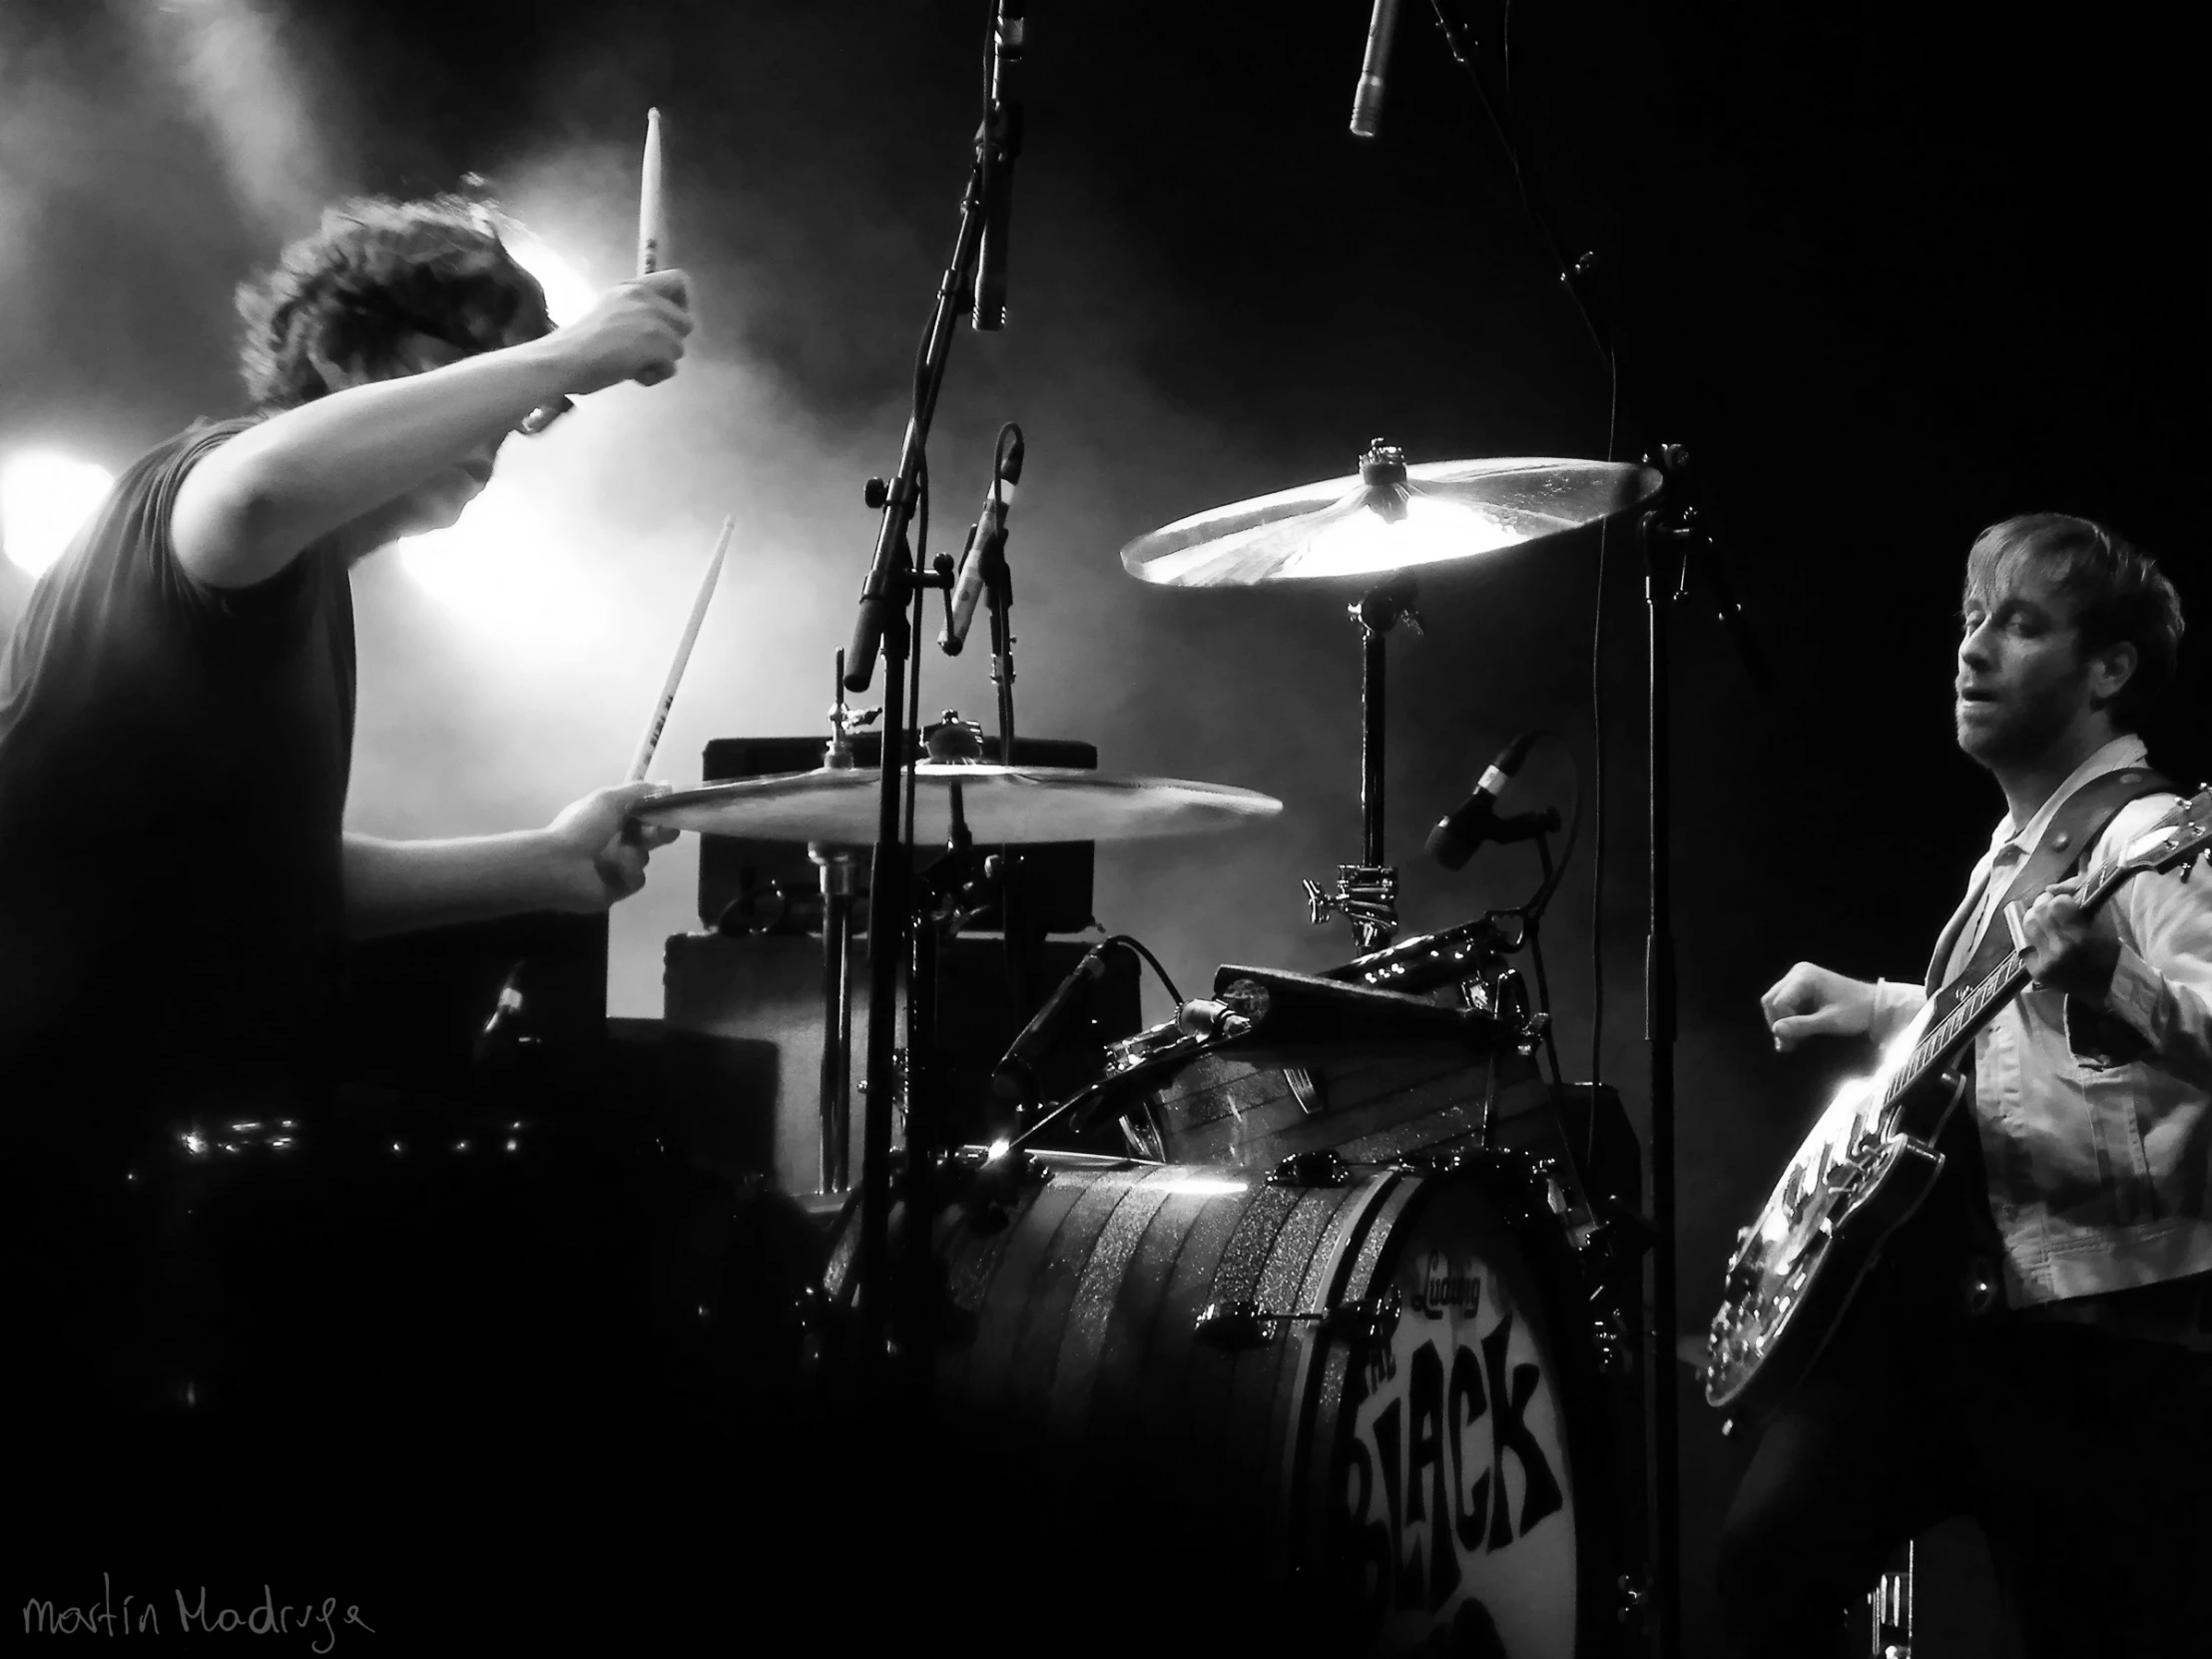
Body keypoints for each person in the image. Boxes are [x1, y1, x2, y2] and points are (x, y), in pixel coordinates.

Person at [0, 196, 709, 1607]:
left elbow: (261, 893)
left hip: (85, 1156)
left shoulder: (293, 590)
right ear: (344, 353)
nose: (497, 448)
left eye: (519, 417)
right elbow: (255, 494)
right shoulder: (201, 493)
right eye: (468, 379)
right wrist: (571, 355)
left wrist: (545, 861)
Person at [1719, 514, 2210, 1656]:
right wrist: (1888, 1006)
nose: (1972, 648)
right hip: (1966, 1324)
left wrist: (2120, 980)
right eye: (1969, 619)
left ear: (2108, 670)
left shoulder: (2150, 835)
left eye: (2019, 624)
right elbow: (2017, 1030)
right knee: (1764, 1561)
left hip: (2107, 1346)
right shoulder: (2008, 855)